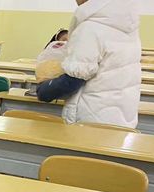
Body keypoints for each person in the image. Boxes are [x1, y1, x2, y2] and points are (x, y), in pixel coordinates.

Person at [36, 0, 141, 128]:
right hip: (121, 116)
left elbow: (73, 80)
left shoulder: (90, 28)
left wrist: (44, 90)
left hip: (92, 118)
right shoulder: (127, 27)